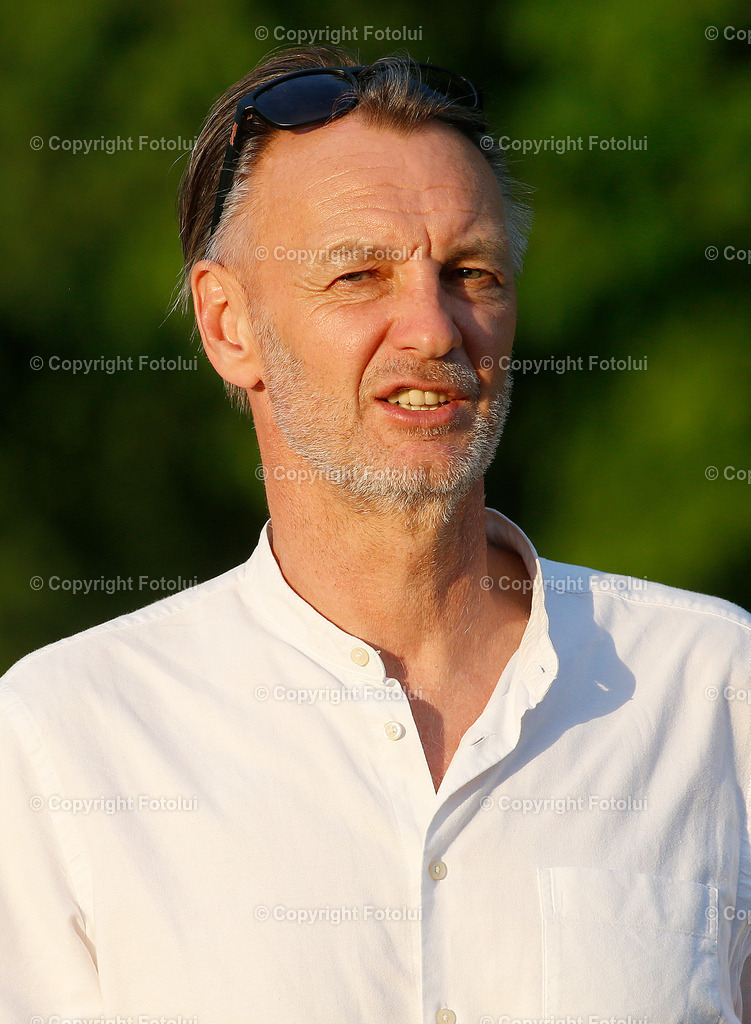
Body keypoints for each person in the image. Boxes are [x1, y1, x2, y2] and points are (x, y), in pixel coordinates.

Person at [2, 44, 750, 1024]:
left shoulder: (715, 691)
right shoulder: (67, 740)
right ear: (229, 326)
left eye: (471, 272)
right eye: (358, 275)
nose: (434, 329)